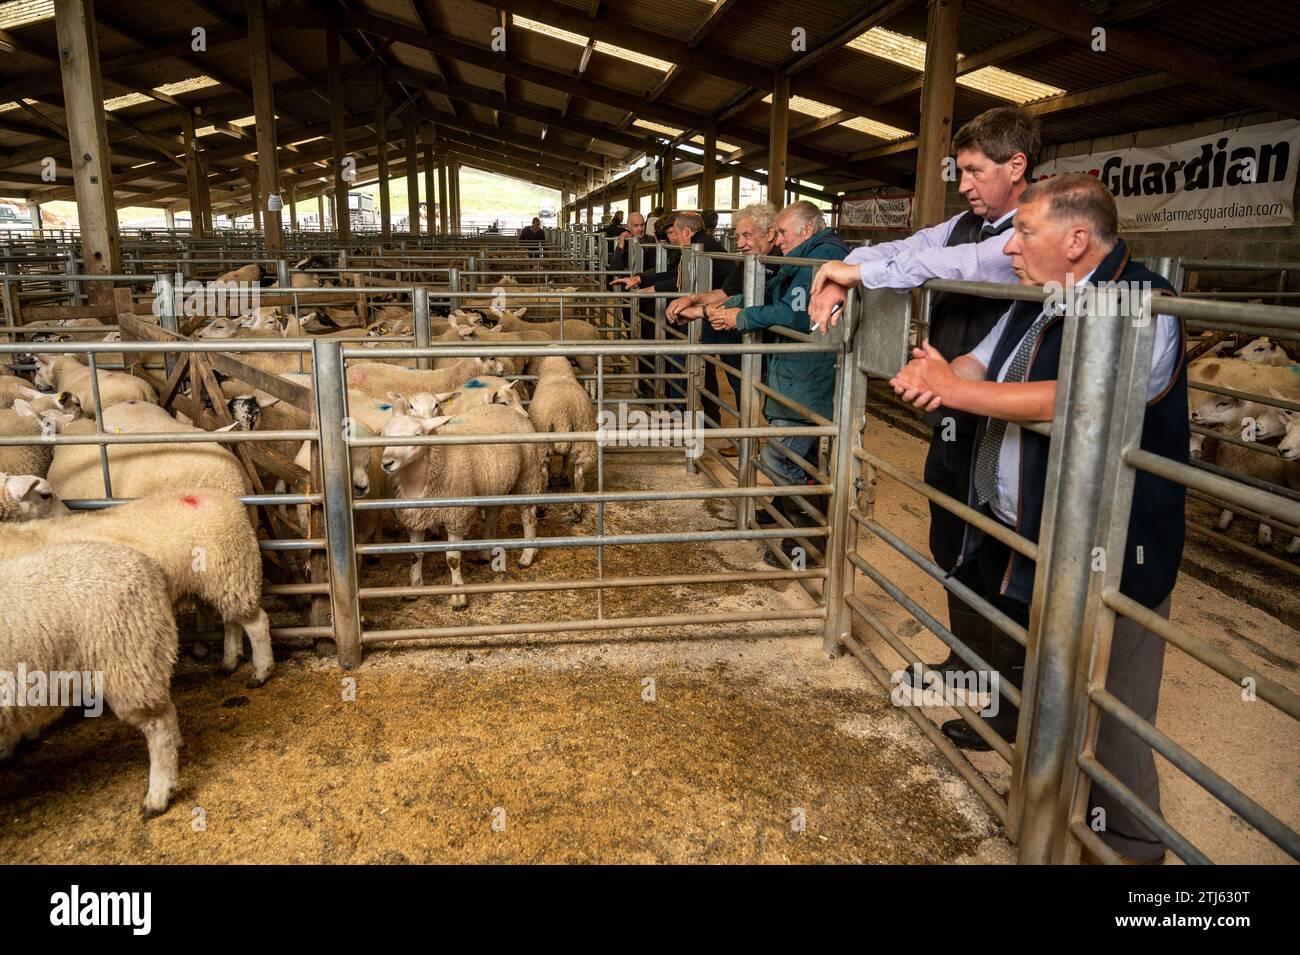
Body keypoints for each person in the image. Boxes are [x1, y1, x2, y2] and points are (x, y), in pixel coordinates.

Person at [890, 173, 1187, 864]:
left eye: (1024, 231)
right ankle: (1043, 822)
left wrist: (958, 390)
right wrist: (946, 369)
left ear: (1077, 238)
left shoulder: (1146, 302)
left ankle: (1127, 854)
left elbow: (1083, 397)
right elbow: (982, 355)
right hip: (1031, 538)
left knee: (1112, 713)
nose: (1010, 244)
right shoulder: (1039, 299)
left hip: (1112, 552)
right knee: (1047, 684)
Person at [810, 106, 1041, 690]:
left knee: (999, 551)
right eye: (959, 172)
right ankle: (968, 663)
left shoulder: (1031, 233)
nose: (962, 185)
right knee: (951, 533)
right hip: (952, 406)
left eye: (972, 171)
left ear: (1017, 166)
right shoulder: (965, 222)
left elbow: (948, 264)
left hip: (1010, 420)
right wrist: (845, 269)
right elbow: (905, 247)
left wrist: (854, 273)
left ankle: (1007, 691)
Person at [705, 201, 849, 566]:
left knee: (779, 456)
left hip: (807, 375)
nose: (777, 238)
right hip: (794, 373)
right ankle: (798, 517)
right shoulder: (801, 260)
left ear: (807, 229)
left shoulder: (820, 259)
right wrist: (736, 309)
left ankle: (806, 542)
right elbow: (772, 299)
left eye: (782, 232)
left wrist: (743, 317)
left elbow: (797, 316)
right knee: (800, 454)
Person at [666, 202, 782, 455]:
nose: (739, 243)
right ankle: (746, 441)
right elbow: (726, 293)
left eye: (746, 235)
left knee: (772, 400)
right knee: (743, 383)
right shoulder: (749, 260)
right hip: (746, 333)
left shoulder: (784, 262)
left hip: (775, 342)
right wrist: (693, 299)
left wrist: (703, 310)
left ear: (770, 233)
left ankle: (756, 445)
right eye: (739, 236)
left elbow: (760, 303)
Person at [611, 211, 729, 404]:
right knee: (699, 365)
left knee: (710, 368)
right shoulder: (697, 246)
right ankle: (693, 414)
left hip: (718, 312)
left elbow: (681, 280)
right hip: (709, 310)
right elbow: (677, 274)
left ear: (687, 231)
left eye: (675, 232)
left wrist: (651, 288)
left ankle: (703, 417)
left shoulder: (700, 248)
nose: (671, 238)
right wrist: (641, 279)